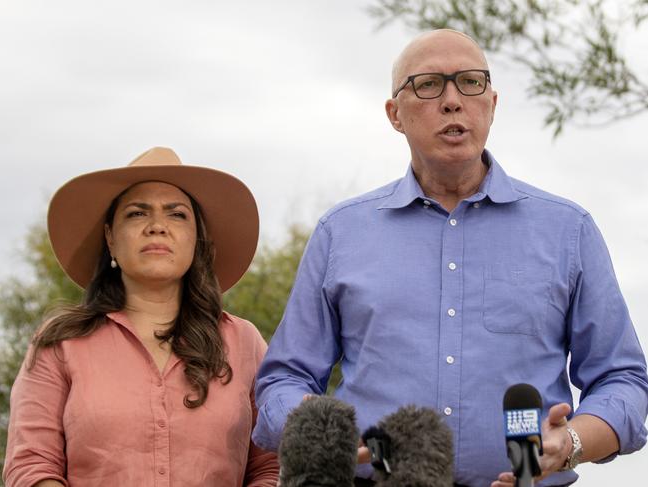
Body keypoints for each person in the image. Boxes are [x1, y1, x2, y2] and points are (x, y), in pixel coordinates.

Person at [251, 30, 648, 487]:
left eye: (471, 82)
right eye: (428, 85)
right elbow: (283, 380)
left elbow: (623, 380)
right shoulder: (339, 233)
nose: (453, 100)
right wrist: (322, 433)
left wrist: (572, 442)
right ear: (394, 114)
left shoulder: (568, 230)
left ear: (493, 104)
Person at [3, 147, 279, 486]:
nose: (157, 226)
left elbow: (271, 465)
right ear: (110, 239)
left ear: (197, 239)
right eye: (137, 214)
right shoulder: (60, 344)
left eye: (177, 215)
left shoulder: (243, 341)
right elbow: (31, 465)